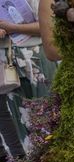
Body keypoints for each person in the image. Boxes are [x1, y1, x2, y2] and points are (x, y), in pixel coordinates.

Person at [0, 0, 57, 142]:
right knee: (22, 118)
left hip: (37, 59)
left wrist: (12, 28)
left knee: (50, 111)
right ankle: (35, 159)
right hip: (8, 66)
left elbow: (47, 27)